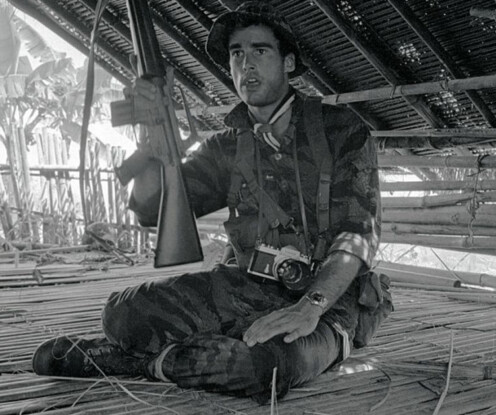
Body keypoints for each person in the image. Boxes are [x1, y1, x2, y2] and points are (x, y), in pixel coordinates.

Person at [32, 2, 387, 402]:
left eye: (260, 51)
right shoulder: (228, 146)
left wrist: (310, 306)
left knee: (268, 369)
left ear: (288, 63)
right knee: (122, 313)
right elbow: (151, 209)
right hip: (245, 287)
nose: (246, 64)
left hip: (328, 301)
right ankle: (197, 357)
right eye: (237, 54)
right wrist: (151, 136)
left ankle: (137, 362)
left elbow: (358, 236)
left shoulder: (340, 130)